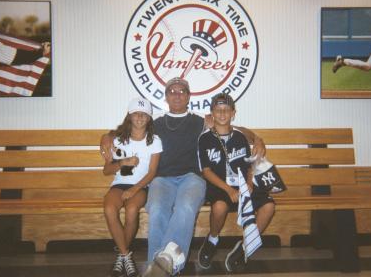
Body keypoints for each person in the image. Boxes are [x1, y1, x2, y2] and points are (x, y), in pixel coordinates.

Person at [100, 77, 266, 276]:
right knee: (157, 208)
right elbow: (123, 131)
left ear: (188, 97)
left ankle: (167, 263)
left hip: (192, 177)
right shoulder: (156, 123)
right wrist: (106, 137)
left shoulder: (201, 121)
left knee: (185, 207)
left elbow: (235, 129)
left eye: (181, 91)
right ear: (166, 96)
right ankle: (158, 265)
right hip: (161, 178)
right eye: (172, 91)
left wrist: (257, 138)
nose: (177, 95)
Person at [197, 93, 275, 273]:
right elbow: (206, 171)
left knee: (269, 207)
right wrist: (228, 190)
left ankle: (244, 247)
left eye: (226, 110)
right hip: (219, 186)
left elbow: (248, 164)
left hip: (242, 184)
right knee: (219, 207)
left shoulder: (240, 136)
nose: (222, 113)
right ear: (211, 113)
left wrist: (248, 182)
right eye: (218, 110)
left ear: (233, 112)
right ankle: (212, 240)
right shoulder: (205, 138)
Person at [102, 98, 162, 277]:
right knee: (109, 209)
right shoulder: (118, 140)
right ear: (129, 116)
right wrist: (123, 162)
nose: (140, 117)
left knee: (131, 210)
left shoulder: (154, 141)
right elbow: (107, 170)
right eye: (136, 113)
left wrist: (134, 189)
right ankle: (125, 255)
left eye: (144, 114)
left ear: (149, 118)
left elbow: (152, 172)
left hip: (141, 186)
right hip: (119, 184)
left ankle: (122, 257)